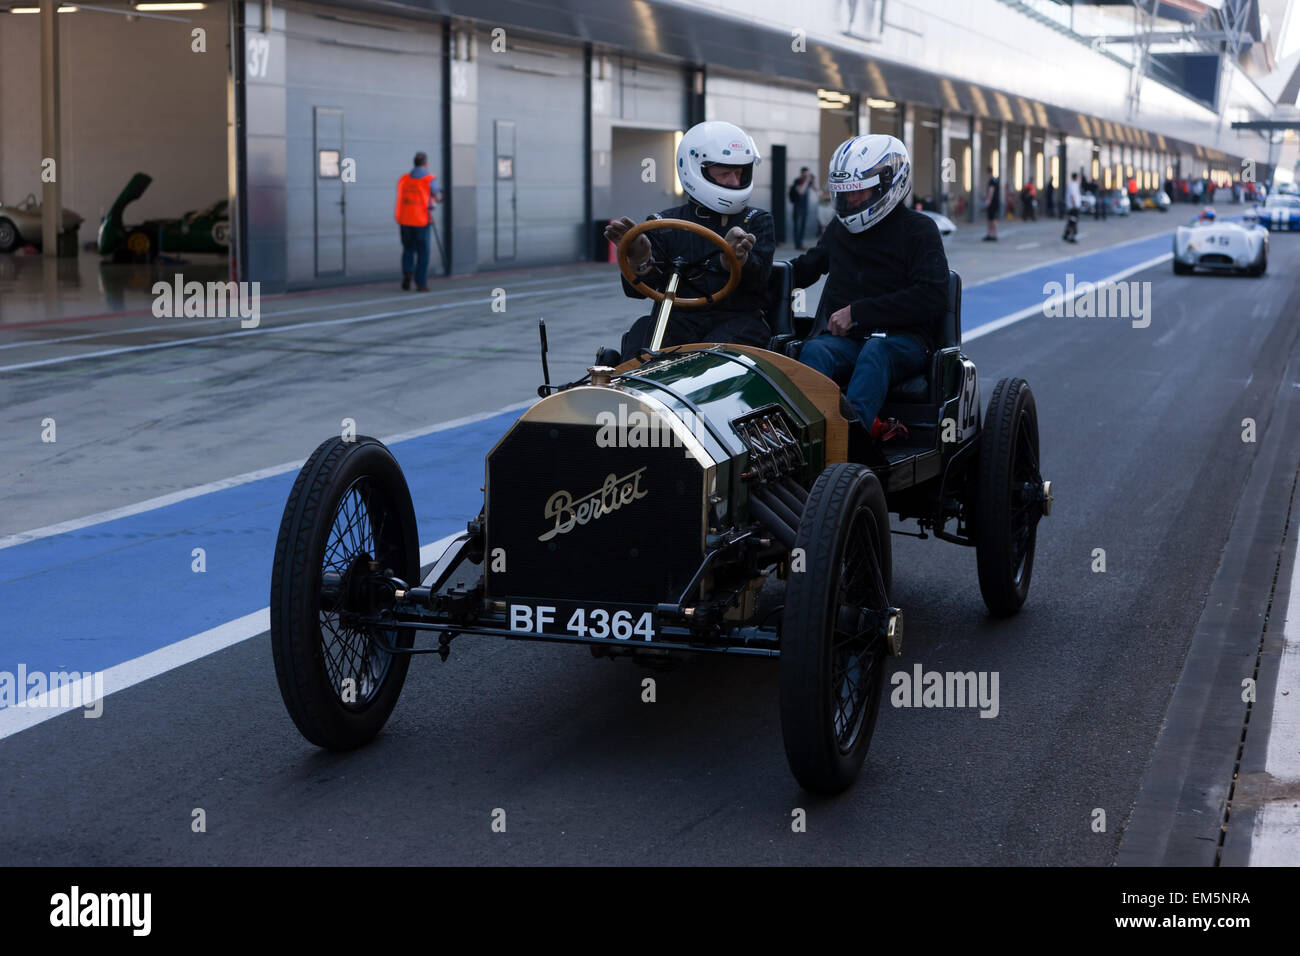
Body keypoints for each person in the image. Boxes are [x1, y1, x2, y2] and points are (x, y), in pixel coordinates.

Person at [791, 134, 949, 442]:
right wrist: (747, 266)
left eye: (858, 194)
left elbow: (932, 297)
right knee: (815, 349)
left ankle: (851, 444)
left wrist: (858, 313)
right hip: (849, 342)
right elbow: (805, 268)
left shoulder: (920, 230)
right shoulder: (839, 230)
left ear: (887, 185)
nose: (850, 202)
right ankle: (805, 443)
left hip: (905, 341)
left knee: (876, 352)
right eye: (845, 195)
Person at [603, 120, 775, 362]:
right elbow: (638, 293)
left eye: (740, 173)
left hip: (737, 318)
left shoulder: (755, 221)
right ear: (694, 169)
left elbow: (760, 281)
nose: (735, 182)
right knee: (643, 334)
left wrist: (735, 261)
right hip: (677, 319)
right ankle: (630, 394)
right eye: (725, 173)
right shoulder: (663, 223)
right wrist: (639, 259)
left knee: (711, 356)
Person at [395, 152, 437, 291]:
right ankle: (421, 283)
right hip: (421, 221)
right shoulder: (429, 179)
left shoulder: (404, 179)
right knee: (423, 252)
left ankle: (407, 273)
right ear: (426, 164)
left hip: (405, 220)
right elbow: (435, 194)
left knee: (408, 249)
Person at [789, 167, 815, 249]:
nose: (806, 176)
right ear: (802, 173)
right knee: (797, 226)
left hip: (805, 207)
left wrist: (813, 181)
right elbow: (801, 191)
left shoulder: (808, 182)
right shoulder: (797, 181)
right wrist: (806, 181)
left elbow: (816, 190)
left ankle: (800, 243)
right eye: (805, 174)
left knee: (803, 225)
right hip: (797, 207)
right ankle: (798, 245)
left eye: (808, 174)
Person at [1063, 172, 1081, 243]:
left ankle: (1066, 234)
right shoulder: (1073, 185)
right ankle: (1072, 237)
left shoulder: (1073, 185)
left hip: (1072, 207)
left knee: (1071, 221)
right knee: (1073, 222)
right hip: (1073, 207)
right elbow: (1072, 196)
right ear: (1076, 178)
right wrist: (1075, 205)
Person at [983, 165, 1000, 241]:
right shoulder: (995, 180)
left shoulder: (991, 181)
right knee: (992, 218)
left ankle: (992, 234)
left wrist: (988, 200)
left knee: (992, 219)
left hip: (992, 202)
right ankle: (991, 234)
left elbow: (991, 190)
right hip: (996, 201)